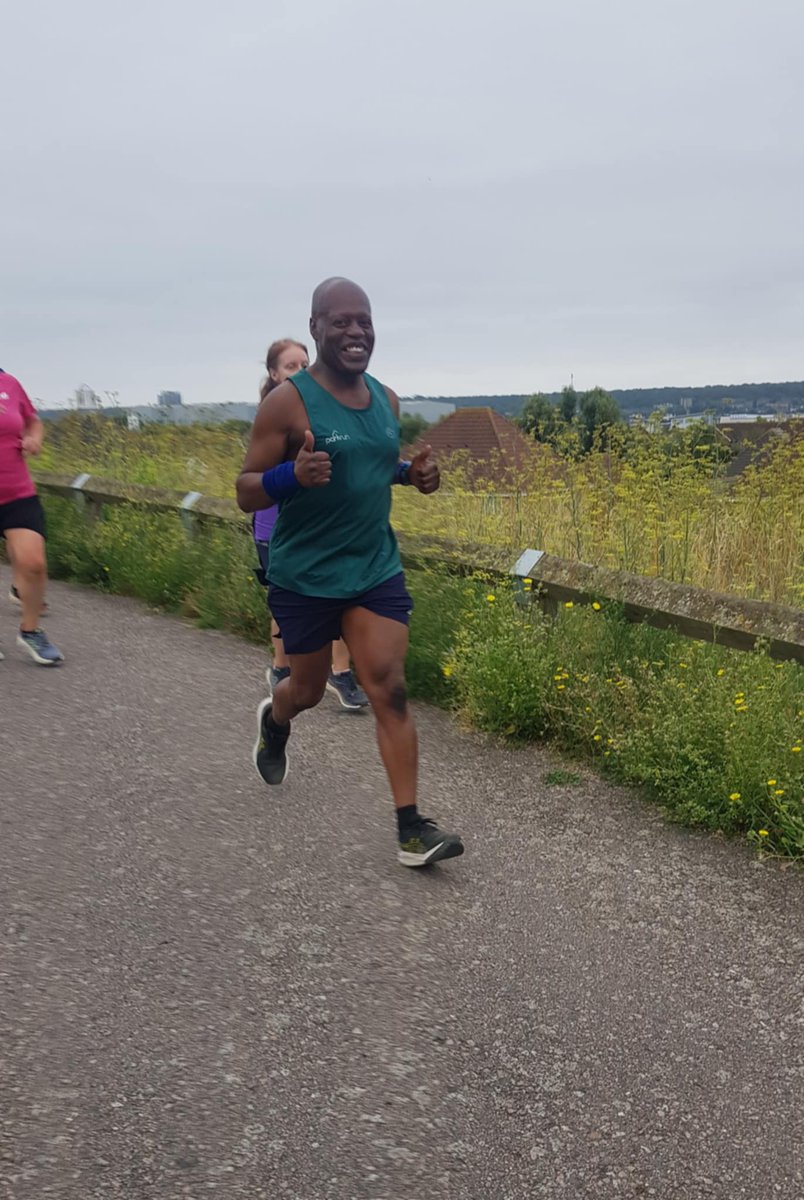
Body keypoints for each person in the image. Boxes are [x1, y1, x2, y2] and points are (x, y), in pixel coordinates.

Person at [236, 278, 463, 868]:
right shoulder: (287, 403)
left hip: (372, 567)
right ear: (315, 328)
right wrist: (291, 477)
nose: (355, 332)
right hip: (306, 574)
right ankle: (276, 717)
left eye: (363, 321)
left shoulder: (385, 399)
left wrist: (409, 475)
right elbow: (244, 491)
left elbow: (373, 464)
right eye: (340, 322)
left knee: (388, 685)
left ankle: (411, 829)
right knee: (307, 689)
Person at [255, 337, 369, 710]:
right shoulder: (272, 416)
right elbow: (253, 482)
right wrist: (295, 471)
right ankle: (281, 666)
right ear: (273, 373)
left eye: (305, 364)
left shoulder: (327, 411)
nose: (301, 372)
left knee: (338, 598)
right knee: (288, 604)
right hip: (277, 529)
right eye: (291, 366)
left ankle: (340, 671)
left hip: (325, 531)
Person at [0, 368, 63, 665]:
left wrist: (34, 439)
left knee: (34, 564)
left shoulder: (9, 383)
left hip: (16, 492)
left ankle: (30, 630)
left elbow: (33, 421)